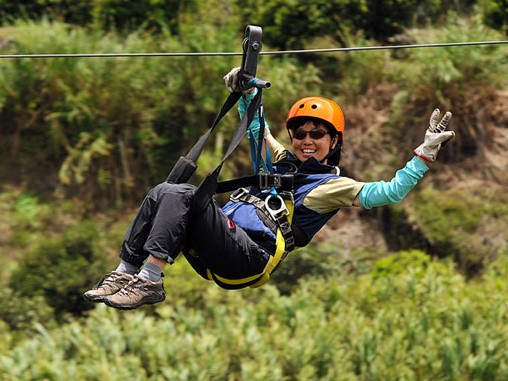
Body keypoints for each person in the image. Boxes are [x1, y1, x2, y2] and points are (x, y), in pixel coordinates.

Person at [84, 68, 455, 310]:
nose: (307, 140)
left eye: (317, 134)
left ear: (334, 141)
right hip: (220, 247)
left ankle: (150, 280)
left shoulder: (332, 186)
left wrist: (423, 155)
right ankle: (125, 271)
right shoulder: (282, 162)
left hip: (249, 258)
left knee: (181, 194)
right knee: (165, 189)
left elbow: (387, 192)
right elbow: (258, 129)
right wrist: (245, 88)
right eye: (300, 133)